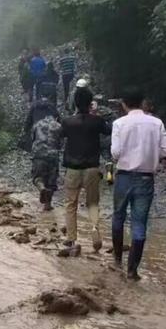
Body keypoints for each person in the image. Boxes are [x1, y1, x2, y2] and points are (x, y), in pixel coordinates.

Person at [110, 87, 166, 280]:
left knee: (118, 216)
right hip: (146, 178)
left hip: (124, 176)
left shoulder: (119, 123)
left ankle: (117, 259)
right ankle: (132, 270)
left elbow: (115, 153)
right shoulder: (156, 123)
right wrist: (152, 153)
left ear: (124, 104)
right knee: (139, 223)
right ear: (142, 102)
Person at [61, 88, 111, 252]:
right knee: (93, 203)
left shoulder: (68, 122)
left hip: (73, 169)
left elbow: (60, 135)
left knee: (71, 204)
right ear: (90, 103)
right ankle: (95, 230)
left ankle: (71, 239)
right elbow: (108, 130)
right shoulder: (96, 121)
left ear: (75, 103)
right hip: (91, 168)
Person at [26, 98, 62, 211]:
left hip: (38, 154)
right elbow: (61, 143)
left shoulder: (37, 125)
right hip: (53, 155)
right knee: (51, 181)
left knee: (37, 177)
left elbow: (32, 139)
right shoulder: (58, 126)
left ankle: (41, 187)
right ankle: (48, 205)